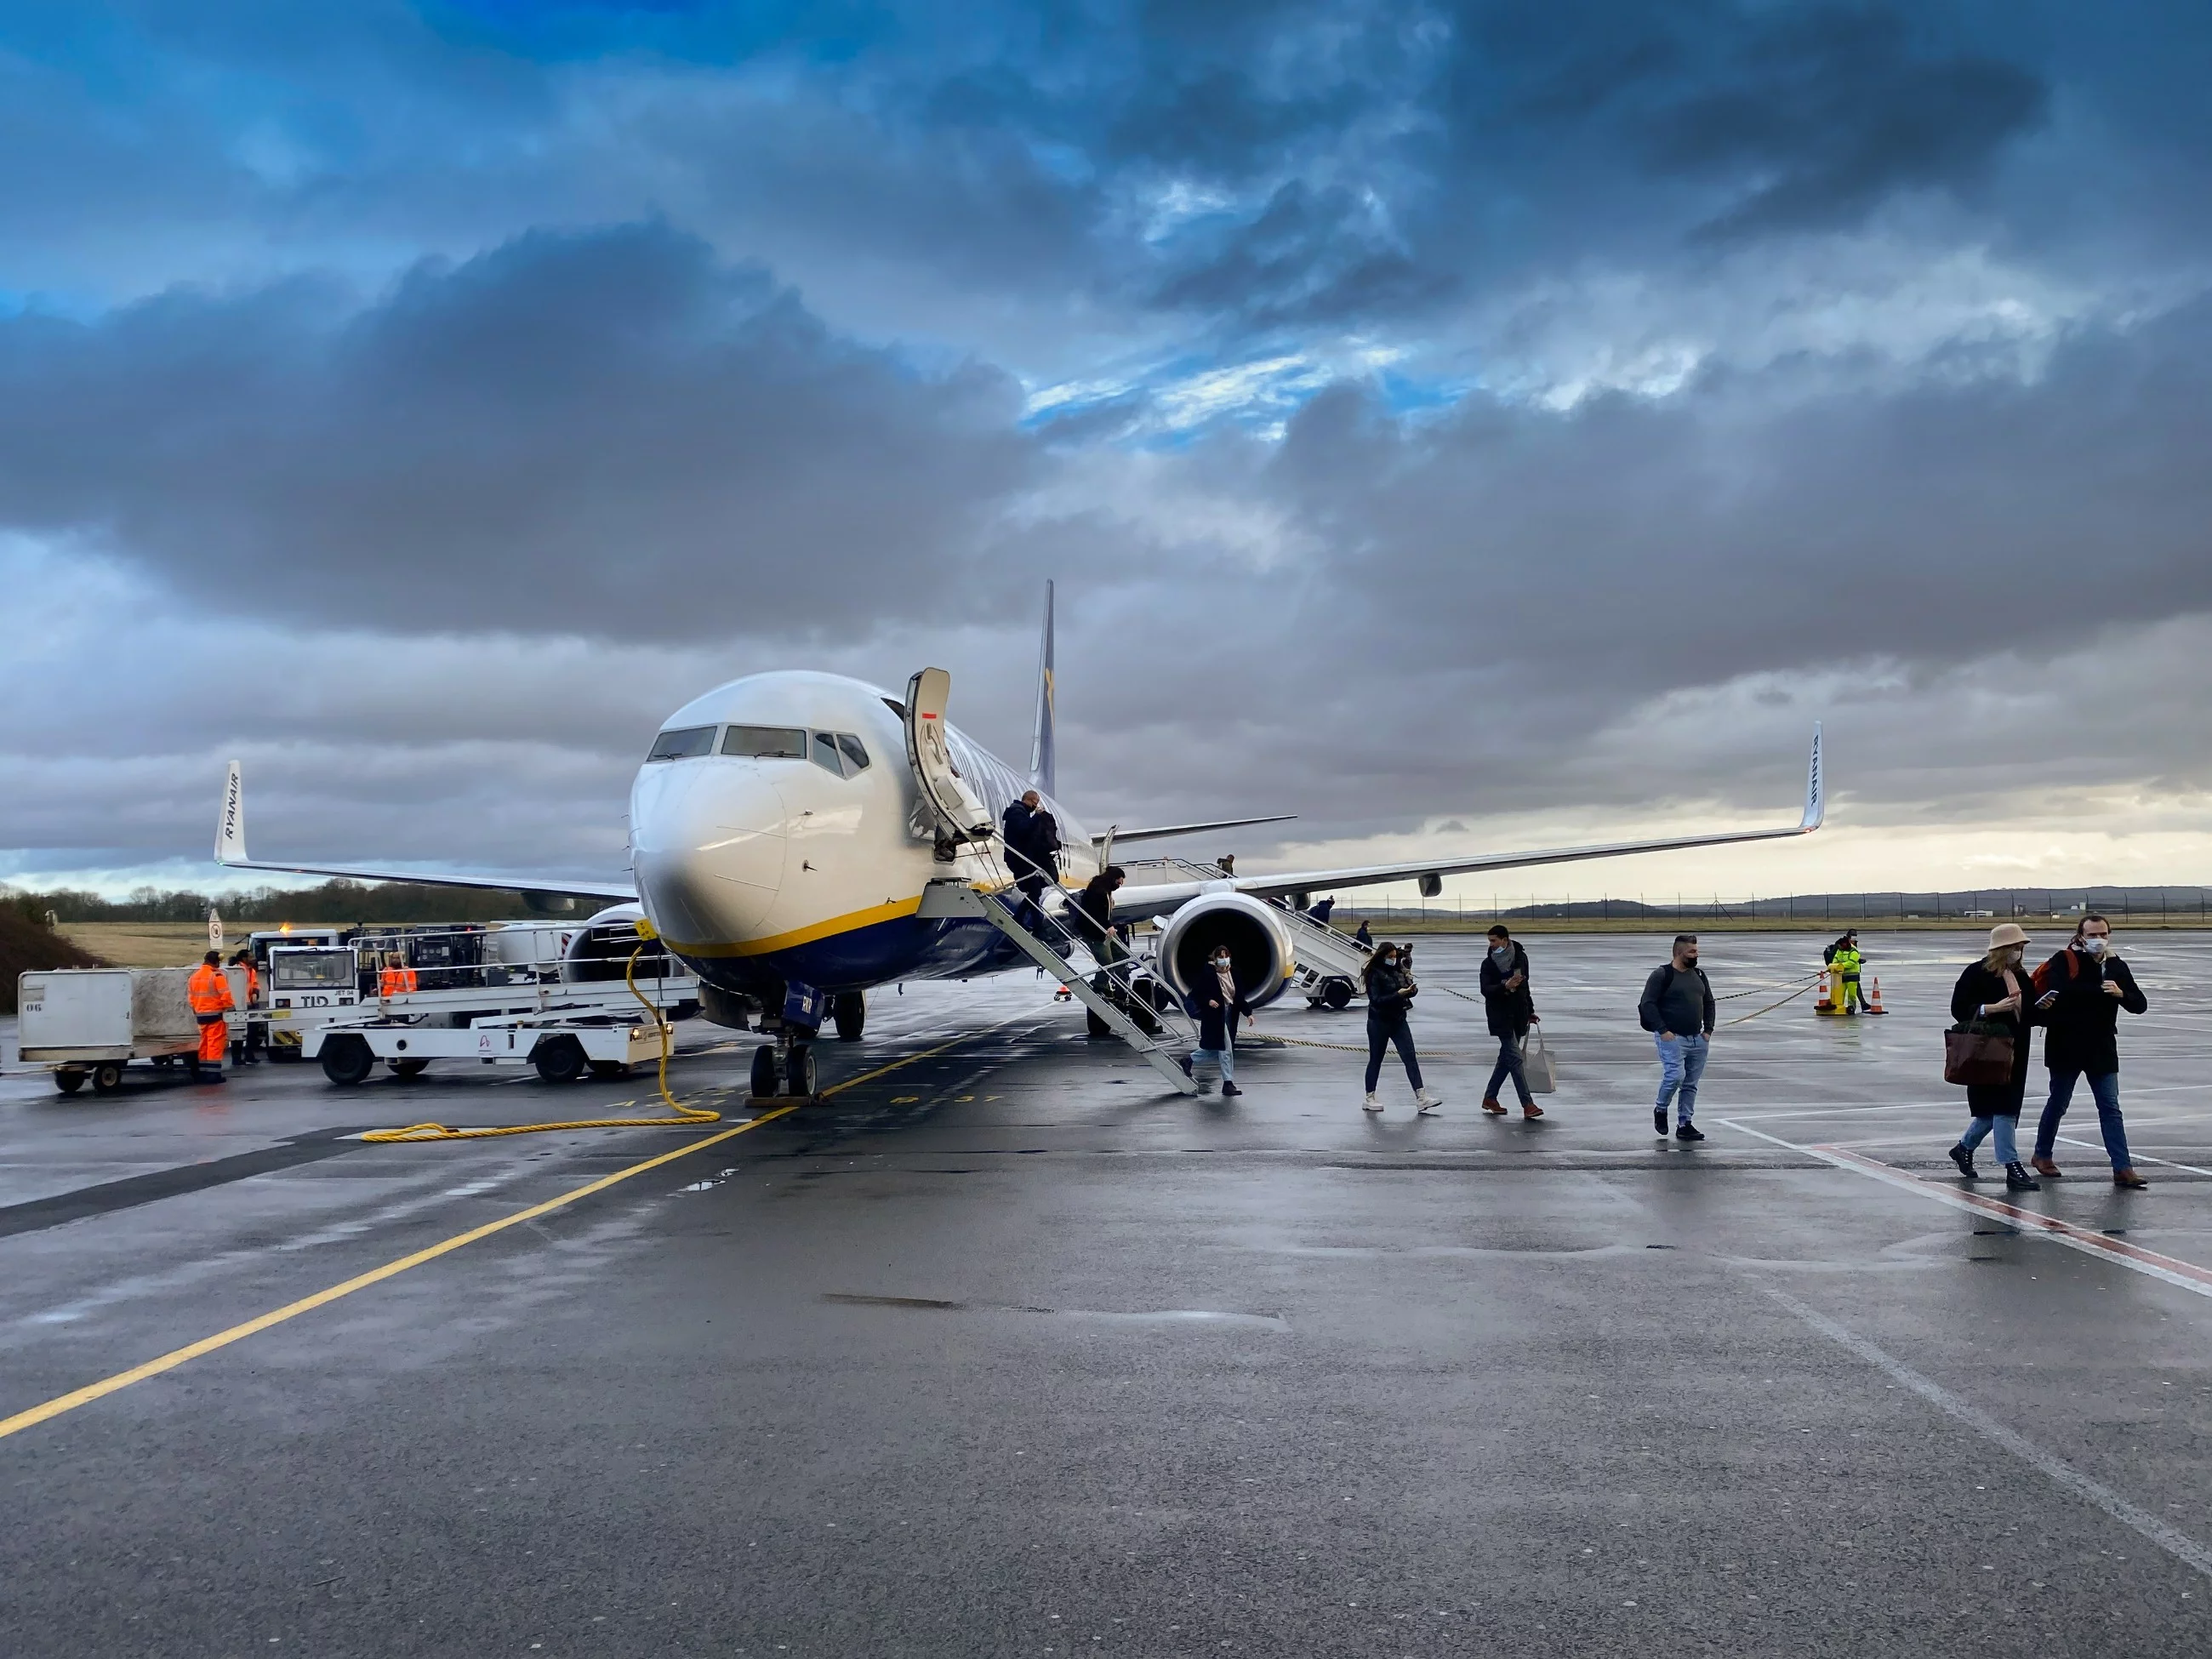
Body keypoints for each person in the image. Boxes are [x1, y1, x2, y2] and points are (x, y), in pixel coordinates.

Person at [2029, 914, 2150, 1188]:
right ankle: (2042, 1154)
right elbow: (2062, 991)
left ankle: (2122, 1168)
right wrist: (2101, 990)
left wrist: (2121, 994)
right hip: (2065, 1044)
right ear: (2080, 936)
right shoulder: (2064, 960)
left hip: (2101, 1046)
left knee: (2110, 1107)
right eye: (2092, 935)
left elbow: (2140, 1004)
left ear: (2110, 935)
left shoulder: (2116, 964)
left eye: (2103, 934)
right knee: (2059, 1103)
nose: (2098, 940)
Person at [1946, 923, 2041, 1190]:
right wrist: (1991, 1008)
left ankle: (1963, 1148)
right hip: (1986, 1052)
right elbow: (1959, 1009)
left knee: (1993, 1112)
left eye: (2021, 947)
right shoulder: (1976, 973)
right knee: (2004, 1110)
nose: (2020, 951)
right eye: (2016, 946)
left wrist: (2044, 1008)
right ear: (2002, 948)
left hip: (2015, 1050)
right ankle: (2012, 1166)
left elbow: (2029, 1014)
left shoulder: (2021, 976)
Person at [1639, 934, 1715, 1142]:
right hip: (1673, 1038)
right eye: (1692, 951)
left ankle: (1685, 1124)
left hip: (1697, 1039)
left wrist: (1708, 1030)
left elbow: (1709, 1002)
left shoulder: (1699, 974)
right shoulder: (1662, 975)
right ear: (1679, 952)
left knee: (1691, 1083)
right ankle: (1661, 1109)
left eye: (1697, 951)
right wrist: (1663, 1031)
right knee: (1675, 1076)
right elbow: (1647, 1004)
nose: (1696, 955)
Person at [1360, 942, 1443, 1115]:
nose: (1393, 959)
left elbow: (1404, 988)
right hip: (1379, 1021)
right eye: (1390, 957)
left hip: (1398, 1019)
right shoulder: (1374, 974)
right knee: (1376, 1059)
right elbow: (1376, 1000)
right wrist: (1397, 995)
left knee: (1410, 1057)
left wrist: (1411, 990)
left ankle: (1421, 1097)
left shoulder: (1397, 971)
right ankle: (1370, 1097)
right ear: (1382, 957)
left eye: (1394, 956)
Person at [1478, 925, 1542, 1120]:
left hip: (1518, 1014)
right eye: (1489, 941)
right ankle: (1527, 1104)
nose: (1491, 945)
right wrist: (1504, 986)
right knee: (1515, 1059)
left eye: (1494, 941)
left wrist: (1530, 1011)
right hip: (1500, 1017)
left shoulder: (1521, 958)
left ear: (1505, 940)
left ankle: (1490, 1098)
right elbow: (1486, 989)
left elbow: (1525, 986)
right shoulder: (1488, 964)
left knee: (1505, 1059)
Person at [1180, 945, 1252, 1097]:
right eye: (1220, 956)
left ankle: (1189, 1060)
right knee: (1226, 1049)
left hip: (1230, 1014)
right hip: (1214, 1016)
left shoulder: (1235, 973)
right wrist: (1209, 1000)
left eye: (1225, 955)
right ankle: (1228, 1083)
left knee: (1216, 1050)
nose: (1223, 959)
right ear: (1215, 959)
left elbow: (1239, 997)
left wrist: (1248, 1013)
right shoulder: (1209, 974)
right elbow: (1196, 994)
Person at [1000, 790, 1057, 928]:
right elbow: (1024, 830)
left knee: (1035, 891)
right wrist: (1037, 817)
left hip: (1023, 859)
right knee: (1035, 891)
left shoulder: (1020, 812)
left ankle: (1021, 919)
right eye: (1035, 803)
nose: (1035, 807)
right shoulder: (1016, 812)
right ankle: (1034, 926)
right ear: (1029, 800)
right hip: (1019, 860)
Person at [186, 949, 235, 1084]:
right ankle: (213, 1075)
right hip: (215, 1015)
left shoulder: (194, 977)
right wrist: (231, 1008)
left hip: (201, 1016)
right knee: (214, 1044)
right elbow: (225, 995)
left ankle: (204, 1073)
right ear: (216, 962)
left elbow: (191, 998)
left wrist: (197, 1009)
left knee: (204, 1044)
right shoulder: (216, 976)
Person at [230, 947, 265, 1064]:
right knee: (238, 1032)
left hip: (250, 1004)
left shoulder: (251, 970)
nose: (254, 959)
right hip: (239, 1006)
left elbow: (255, 983)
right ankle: (237, 1058)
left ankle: (249, 1056)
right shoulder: (236, 970)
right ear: (244, 958)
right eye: (251, 957)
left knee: (252, 1032)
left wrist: (255, 993)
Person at [1826, 930, 1867, 1015]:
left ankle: (1851, 1008)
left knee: (1852, 994)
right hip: (1842, 975)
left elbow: (1851, 962)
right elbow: (1835, 958)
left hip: (1852, 975)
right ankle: (1838, 1005)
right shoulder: (1840, 949)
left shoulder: (1853, 950)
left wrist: (1840, 966)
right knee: (1841, 992)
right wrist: (1834, 966)